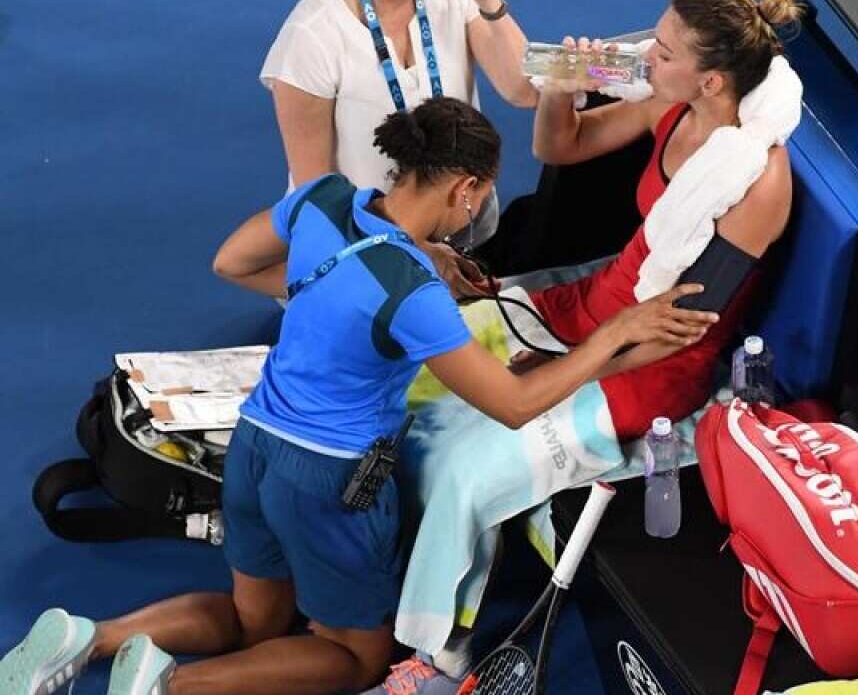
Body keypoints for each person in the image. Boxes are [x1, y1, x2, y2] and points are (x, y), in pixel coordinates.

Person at [0, 98, 715, 695]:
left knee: (258, 619)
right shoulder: (412, 294)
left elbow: (233, 260)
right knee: (354, 656)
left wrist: (361, 298)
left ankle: (92, 637)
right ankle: (166, 686)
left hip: (254, 447)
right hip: (331, 481)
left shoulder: (326, 198)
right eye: (483, 193)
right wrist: (615, 332)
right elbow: (513, 404)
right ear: (464, 188)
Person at [365, 0, 805, 694]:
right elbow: (557, 145)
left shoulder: (758, 184)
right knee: (415, 369)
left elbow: (683, 327)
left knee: (465, 473)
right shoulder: (671, 98)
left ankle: (437, 657)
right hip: (592, 306)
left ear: (712, 78)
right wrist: (562, 85)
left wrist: (569, 364)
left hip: (650, 364)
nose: (643, 55)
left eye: (662, 51)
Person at [262, 0, 537, 250]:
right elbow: (316, 195)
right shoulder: (311, 36)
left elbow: (525, 91)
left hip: (464, 229)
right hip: (366, 245)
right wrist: (414, 251)